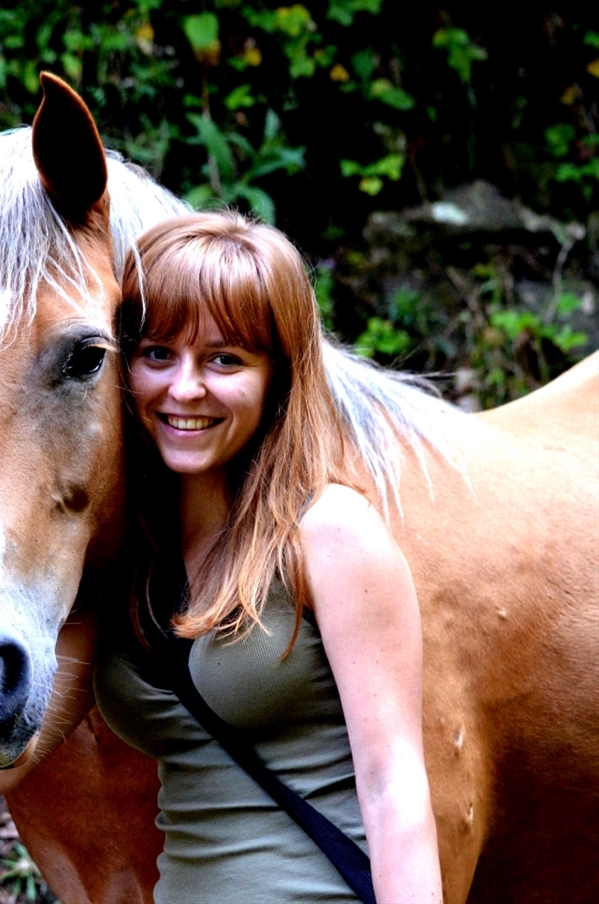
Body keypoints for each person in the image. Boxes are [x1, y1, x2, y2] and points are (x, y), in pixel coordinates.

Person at [94, 211, 443, 904]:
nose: (185, 388)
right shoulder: (126, 554)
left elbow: (393, 786)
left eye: (225, 359)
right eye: (158, 352)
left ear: (277, 377)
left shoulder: (328, 532)